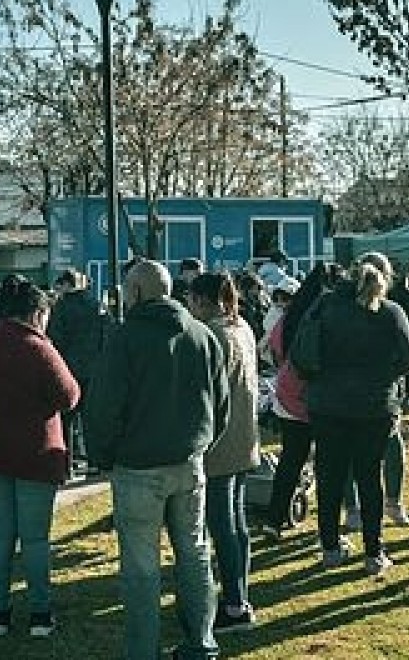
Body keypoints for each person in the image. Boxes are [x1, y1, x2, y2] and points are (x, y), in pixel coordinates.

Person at [87, 260, 228, 660]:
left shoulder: (125, 338)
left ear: (134, 292)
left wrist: (104, 455)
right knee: (195, 554)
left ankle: (143, 650)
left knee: (141, 567)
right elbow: (221, 405)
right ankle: (201, 642)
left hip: (138, 466)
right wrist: (201, 445)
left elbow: (104, 407)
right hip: (189, 461)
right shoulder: (202, 334)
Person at [0, 279, 80, 638]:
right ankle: (40, 614)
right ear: (37, 313)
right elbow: (70, 396)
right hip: (36, 454)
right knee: (35, 539)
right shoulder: (40, 349)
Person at [308, 254, 409, 576]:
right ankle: (374, 551)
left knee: (330, 478)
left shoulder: (326, 307)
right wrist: (385, 376)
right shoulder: (390, 312)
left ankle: (330, 547)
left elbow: (304, 349)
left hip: (329, 404)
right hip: (374, 405)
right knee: (370, 478)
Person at [185, 272, 261, 634]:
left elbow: (205, 393)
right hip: (244, 437)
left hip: (220, 442)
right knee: (237, 523)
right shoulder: (241, 327)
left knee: (222, 526)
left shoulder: (211, 335)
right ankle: (240, 595)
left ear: (200, 300)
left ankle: (233, 604)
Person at [261, 264, 341, 538]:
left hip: (289, 394)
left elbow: (273, 347)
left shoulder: (292, 315)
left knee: (290, 460)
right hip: (323, 398)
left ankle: (274, 518)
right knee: (328, 464)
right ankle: (329, 528)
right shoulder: (333, 314)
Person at [47, 269, 104, 476]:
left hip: (69, 369)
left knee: (65, 420)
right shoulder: (96, 305)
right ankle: (95, 462)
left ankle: (66, 464)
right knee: (91, 420)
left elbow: (55, 338)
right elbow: (107, 333)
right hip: (94, 370)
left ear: (66, 285)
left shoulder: (61, 307)